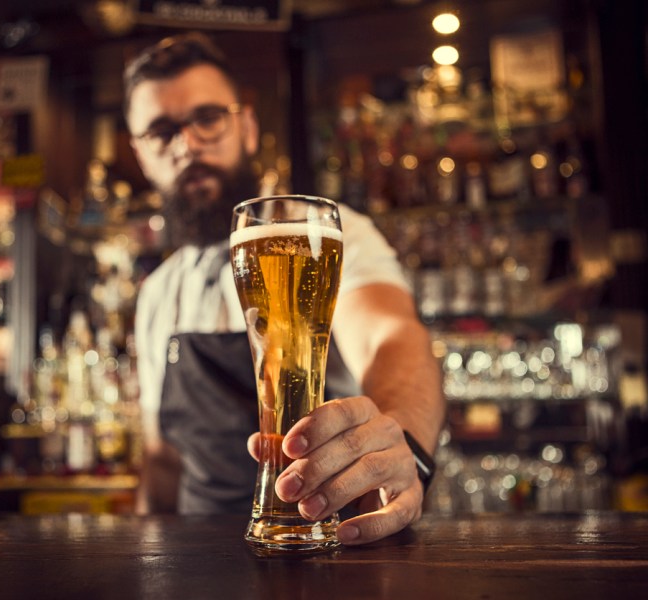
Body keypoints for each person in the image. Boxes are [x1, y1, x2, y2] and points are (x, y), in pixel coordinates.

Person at [124, 32, 445, 546]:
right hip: (192, 562)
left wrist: (401, 444)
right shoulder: (157, 291)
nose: (187, 144)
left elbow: (394, 336)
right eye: (161, 132)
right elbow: (162, 461)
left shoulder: (329, 238)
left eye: (208, 118)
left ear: (247, 127)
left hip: (323, 541)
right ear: (141, 154)